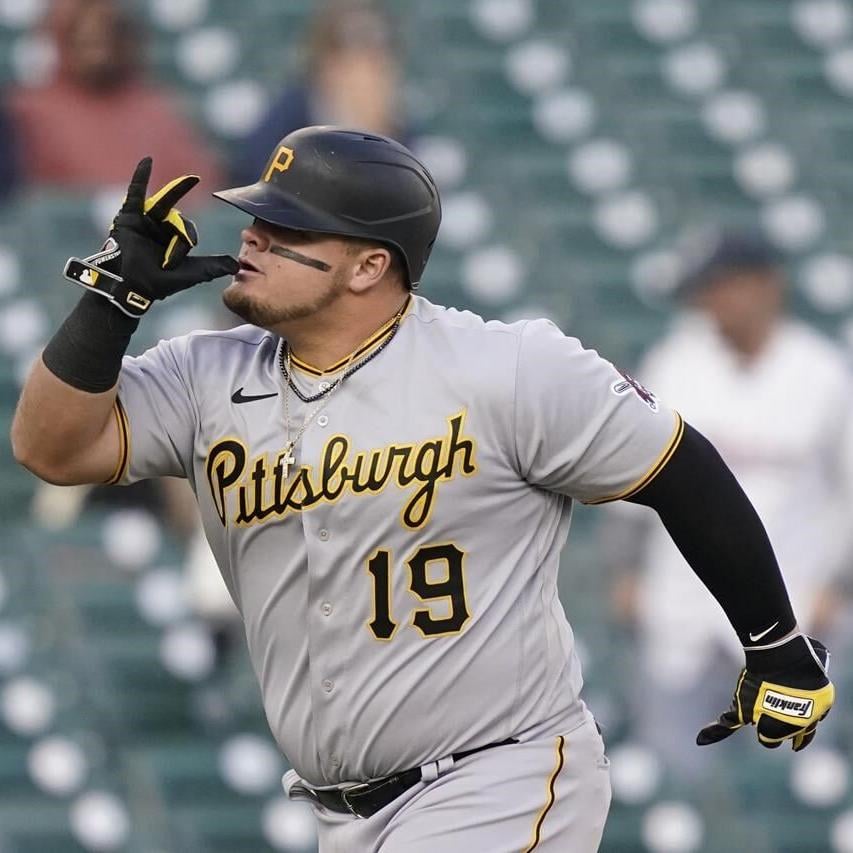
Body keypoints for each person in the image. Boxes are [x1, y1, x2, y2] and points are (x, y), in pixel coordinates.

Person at [11, 127, 834, 852]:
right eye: (258, 217)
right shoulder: (205, 373)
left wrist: (773, 642)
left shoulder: (503, 368)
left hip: (496, 777)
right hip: (342, 812)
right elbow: (49, 446)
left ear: (371, 264)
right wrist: (110, 304)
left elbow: (681, 467)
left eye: (286, 226)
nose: (252, 237)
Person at [605, 228, 853, 781]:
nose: (710, 302)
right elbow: (629, 476)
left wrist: (839, 586)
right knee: (676, 778)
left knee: (795, 784)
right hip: (681, 611)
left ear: (767, 285)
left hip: (796, 610)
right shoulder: (676, 363)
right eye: (705, 290)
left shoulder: (821, 373)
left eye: (722, 286)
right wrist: (625, 570)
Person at [9, 0, 223, 196]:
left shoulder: (156, 110)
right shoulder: (28, 111)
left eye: (107, 39)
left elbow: (198, 188)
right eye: (87, 42)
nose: (98, 54)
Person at [231, 0, 410, 187]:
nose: (372, 69)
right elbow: (256, 186)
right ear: (328, 63)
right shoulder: (285, 122)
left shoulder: (401, 131)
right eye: (358, 54)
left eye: (380, 56)